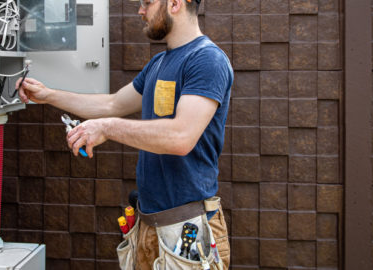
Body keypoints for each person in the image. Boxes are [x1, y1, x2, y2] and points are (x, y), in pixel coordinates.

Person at [17, 0, 233, 268]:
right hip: (148, 226)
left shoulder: (206, 59)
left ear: (175, 3)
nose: (140, 11)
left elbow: (181, 136)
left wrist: (107, 127)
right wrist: (48, 95)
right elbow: (113, 104)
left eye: (147, 3)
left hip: (186, 230)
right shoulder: (159, 63)